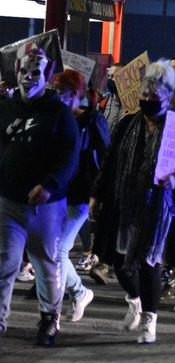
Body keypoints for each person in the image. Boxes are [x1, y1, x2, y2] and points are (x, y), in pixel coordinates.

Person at [90, 59, 175, 344]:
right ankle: (135, 302)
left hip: (157, 206)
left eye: (154, 97)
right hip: (123, 200)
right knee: (120, 262)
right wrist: (96, 194)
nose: (147, 100)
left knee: (148, 262)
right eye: (144, 95)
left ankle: (149, 322)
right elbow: (109, 161)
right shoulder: (127, 123)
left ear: (167, 98)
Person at [0, 48, 80, 346]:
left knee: (45, 262)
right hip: (9, 201)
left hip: (45, 206)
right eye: (24, 72)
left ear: (46, 77)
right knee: (5, 262)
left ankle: (50, 319)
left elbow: (69, 155)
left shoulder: (59, 112)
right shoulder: (6, 108)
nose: (28, 79)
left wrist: (50, 184)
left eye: (36, 74)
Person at [52, 69, 110, 322]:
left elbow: (106, 159)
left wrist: (97, 194)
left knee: (58, 250)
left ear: (75, 93)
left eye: (59, 89)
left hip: (81, 195)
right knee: (48, 250)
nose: (55, 94)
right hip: (56, 194)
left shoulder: (93, 120)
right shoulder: (57, 117)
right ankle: (77, 293)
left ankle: (76, 293)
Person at [101, 63, 124, 132]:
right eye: (109, 76)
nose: (109, 79)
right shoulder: (104, 103)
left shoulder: (133, 108)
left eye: (113, 76)